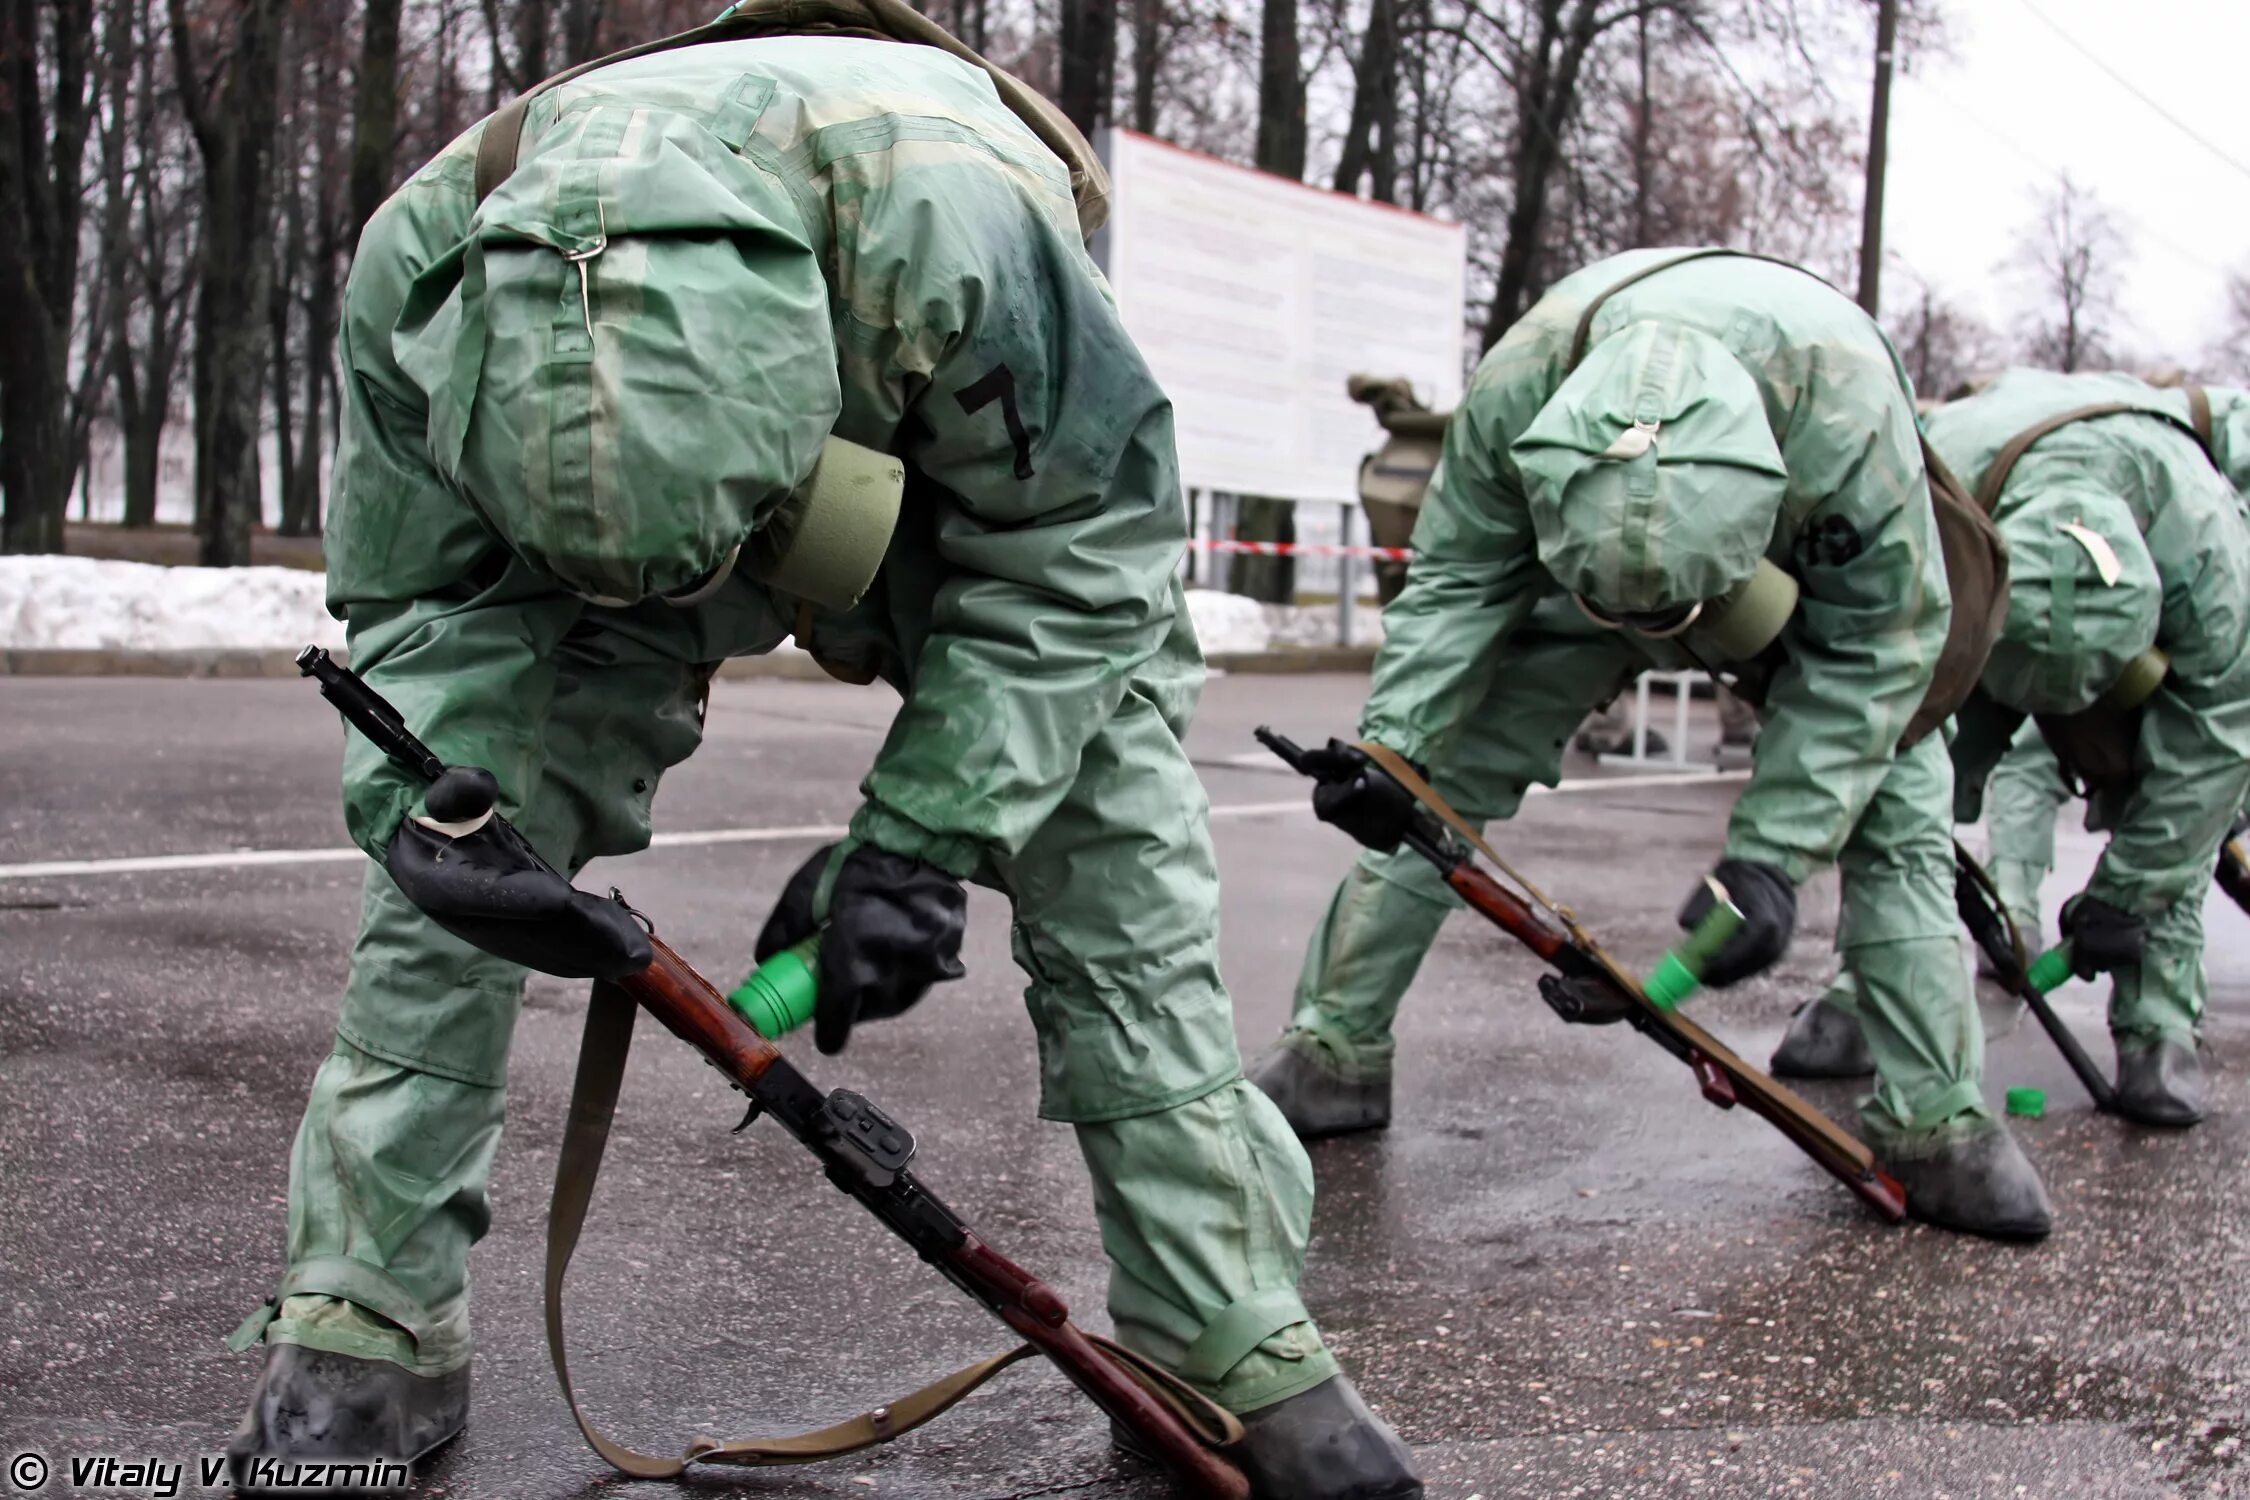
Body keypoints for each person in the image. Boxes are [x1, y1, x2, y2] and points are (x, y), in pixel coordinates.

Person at [221, 15, 1421, 1499]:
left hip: (939, 445)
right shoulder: (422, 267)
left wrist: (920, 836)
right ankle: (364, 1310)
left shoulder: (956, 229)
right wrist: (437, 815)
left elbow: (1079, 555)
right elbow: (420, 606)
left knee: (1108, 843)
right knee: (459, 853)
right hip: (574, 516)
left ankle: (1215, 1321)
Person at [1249, 247, 2052, 1240]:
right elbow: (1457, 584)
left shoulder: (1847, 422)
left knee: (1893, 807)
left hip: (1798, 585)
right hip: (1596, 554)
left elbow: (1878, 650)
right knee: (1438, 785)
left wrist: (1768, 861)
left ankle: (1940, 1127)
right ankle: (1332, 1050)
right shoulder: (1518, 399)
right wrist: (1391, 753)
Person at [1791, 370, 2250, 1127]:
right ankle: (1868, 994)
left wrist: (2126, 896)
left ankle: (2157, 1033)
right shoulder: (1927, 484)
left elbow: (2213, 756)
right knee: (1906, 762)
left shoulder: (2213, 556)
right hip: (1974, 596)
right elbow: (1873, 700)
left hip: (2132, 649)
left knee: (2163, 781)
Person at [1972, 379, 2250, 949]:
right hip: (2105, 580)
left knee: (2185, 778)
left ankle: (2024, 914)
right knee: (2181, 775)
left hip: (2100, 576)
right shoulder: (2192, 499)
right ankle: (2023, 916)